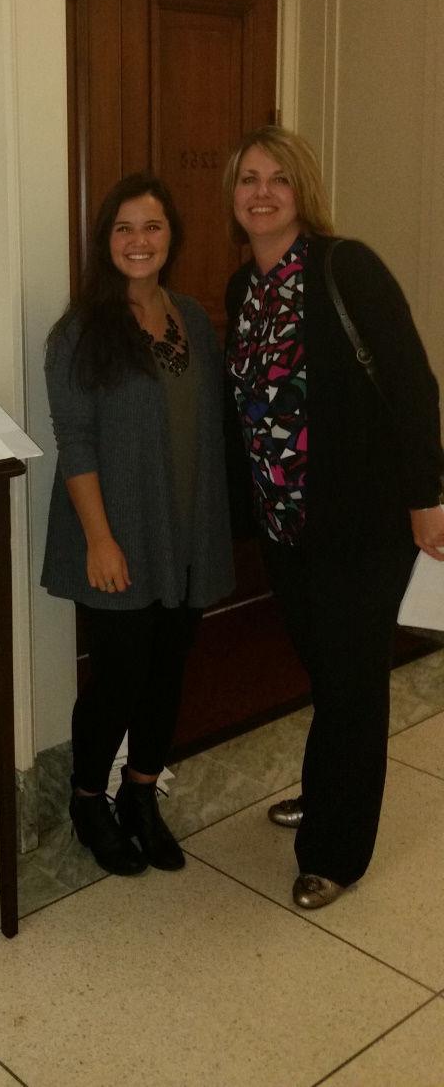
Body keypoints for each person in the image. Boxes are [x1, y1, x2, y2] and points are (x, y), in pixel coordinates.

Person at [223, 126, 444, 910]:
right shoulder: (241, 290)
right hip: (287, 528)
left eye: (279, 178)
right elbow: (243, 411)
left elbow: (415, 385)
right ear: (235, 195)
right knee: (328, 673)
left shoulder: (346, 266)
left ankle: (337, 853)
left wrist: (428, 497)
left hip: (362, 523)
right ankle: (326, 794)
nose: (262, 191)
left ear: (301, 191)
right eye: (249, 178)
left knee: (352, 685)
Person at [42, 173, 234, 876]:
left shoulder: (191, 317)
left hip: (187, 533)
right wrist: (98, 538)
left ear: (171, 237)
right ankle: (89, 798)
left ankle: (141, 795)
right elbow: (76, 440)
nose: (138, 241)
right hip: (117, 535)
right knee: (119, 677)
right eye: (124, 228)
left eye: (151, 227)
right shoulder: (81, 331)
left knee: (169, 671)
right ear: (105, 241)